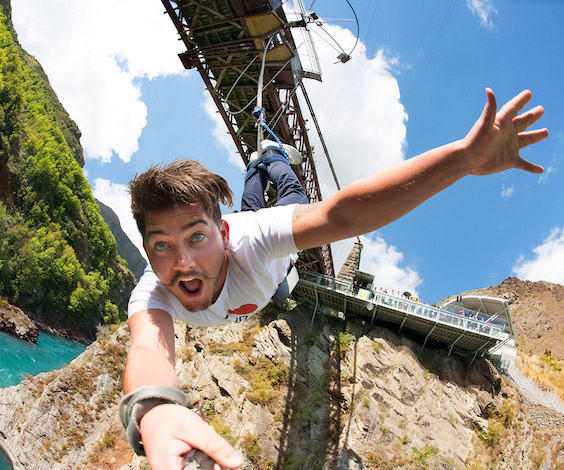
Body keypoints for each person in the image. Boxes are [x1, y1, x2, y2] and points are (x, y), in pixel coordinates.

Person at [122, 89, 547, 470]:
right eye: (162, 245)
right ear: (147, 252)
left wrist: (462, 160)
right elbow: (147, 347)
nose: (183, 263)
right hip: (252, 261)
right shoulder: (153, 291)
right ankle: (255, 170)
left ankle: (272, 159)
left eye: (197, 237)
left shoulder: (253, 241)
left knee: (292, 196)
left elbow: (340, 214)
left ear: (224, 235)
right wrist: (155, 407)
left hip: (274, 269)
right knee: (249, 201)